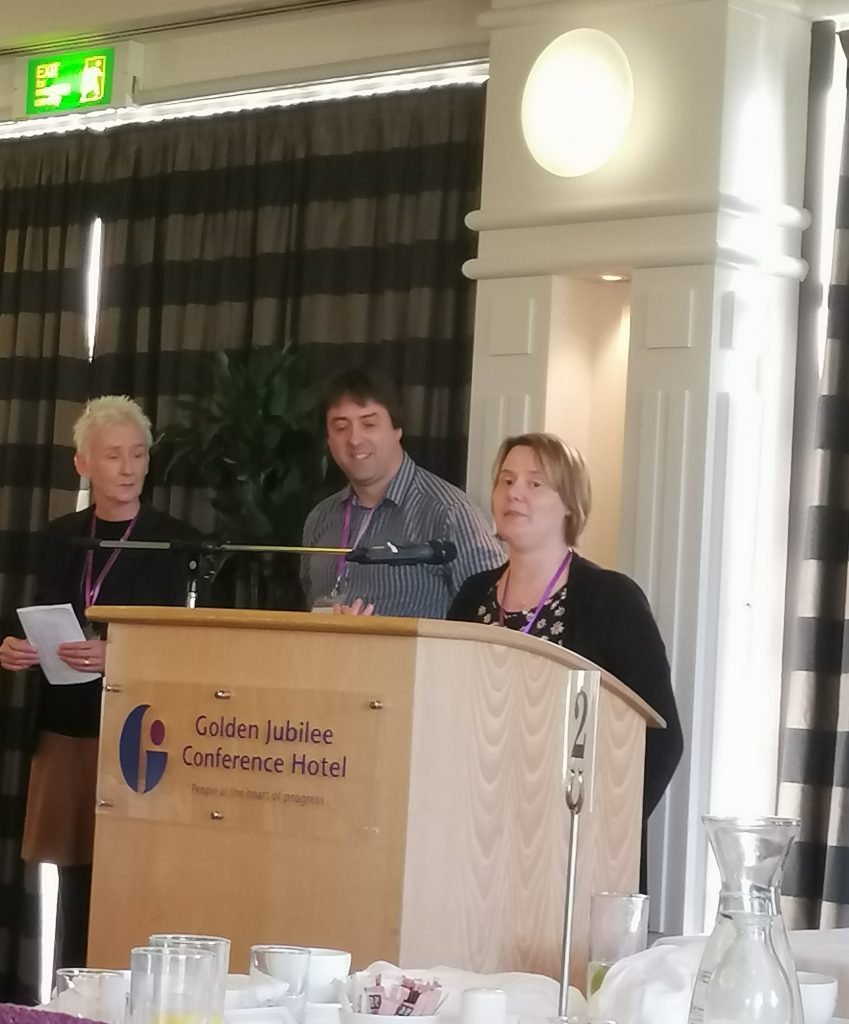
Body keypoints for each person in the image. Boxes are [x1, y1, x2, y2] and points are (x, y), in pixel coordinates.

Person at [0, 396, 200, 970]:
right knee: (73, 881)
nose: (130, 467)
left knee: (133, 875)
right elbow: (30, 612)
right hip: (66, 727)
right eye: (114, 455)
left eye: (139, 454)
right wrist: (13, 646)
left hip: (142, 733)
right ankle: (69, 992)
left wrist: (122, 653)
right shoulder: (61, 535)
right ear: (83, 464)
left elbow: (194, 645)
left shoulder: (175, 541)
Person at [447, 433, 683, 885]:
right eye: (506, 480)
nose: (514, 492)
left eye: (535, 484)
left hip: (575, 841)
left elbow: (663, 738)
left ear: (570, 504)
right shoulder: (472, 594)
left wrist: (606, 828)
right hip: (478, 833)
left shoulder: (612, 598)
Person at [301, 369, 504, 618]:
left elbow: (491, 612)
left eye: (369, 424)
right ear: (328, 439)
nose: (354, 439)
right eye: (341, 427)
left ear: (397, 430)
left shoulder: (449, 512)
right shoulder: (320, 517)